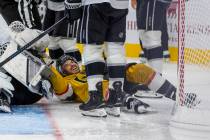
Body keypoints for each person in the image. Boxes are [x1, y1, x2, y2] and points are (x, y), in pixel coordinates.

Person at [39, 54, 176, 117]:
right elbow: (60, 89)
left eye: (73, 62)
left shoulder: (87, 68)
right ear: (62, 70)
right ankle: (129, 101)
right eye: (67, 65)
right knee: (102, 87)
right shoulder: (68, 82)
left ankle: (175, 93)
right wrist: (42, 59)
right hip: (103, 92)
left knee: (137, 68)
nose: (72, 64)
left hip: (115, 80)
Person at [64, 0, 129, 117]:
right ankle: (115, 99)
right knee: (115, 49)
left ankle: (95, 99)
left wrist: (71, 3)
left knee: (92, 48)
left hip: (95, 3)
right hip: (121, 4)